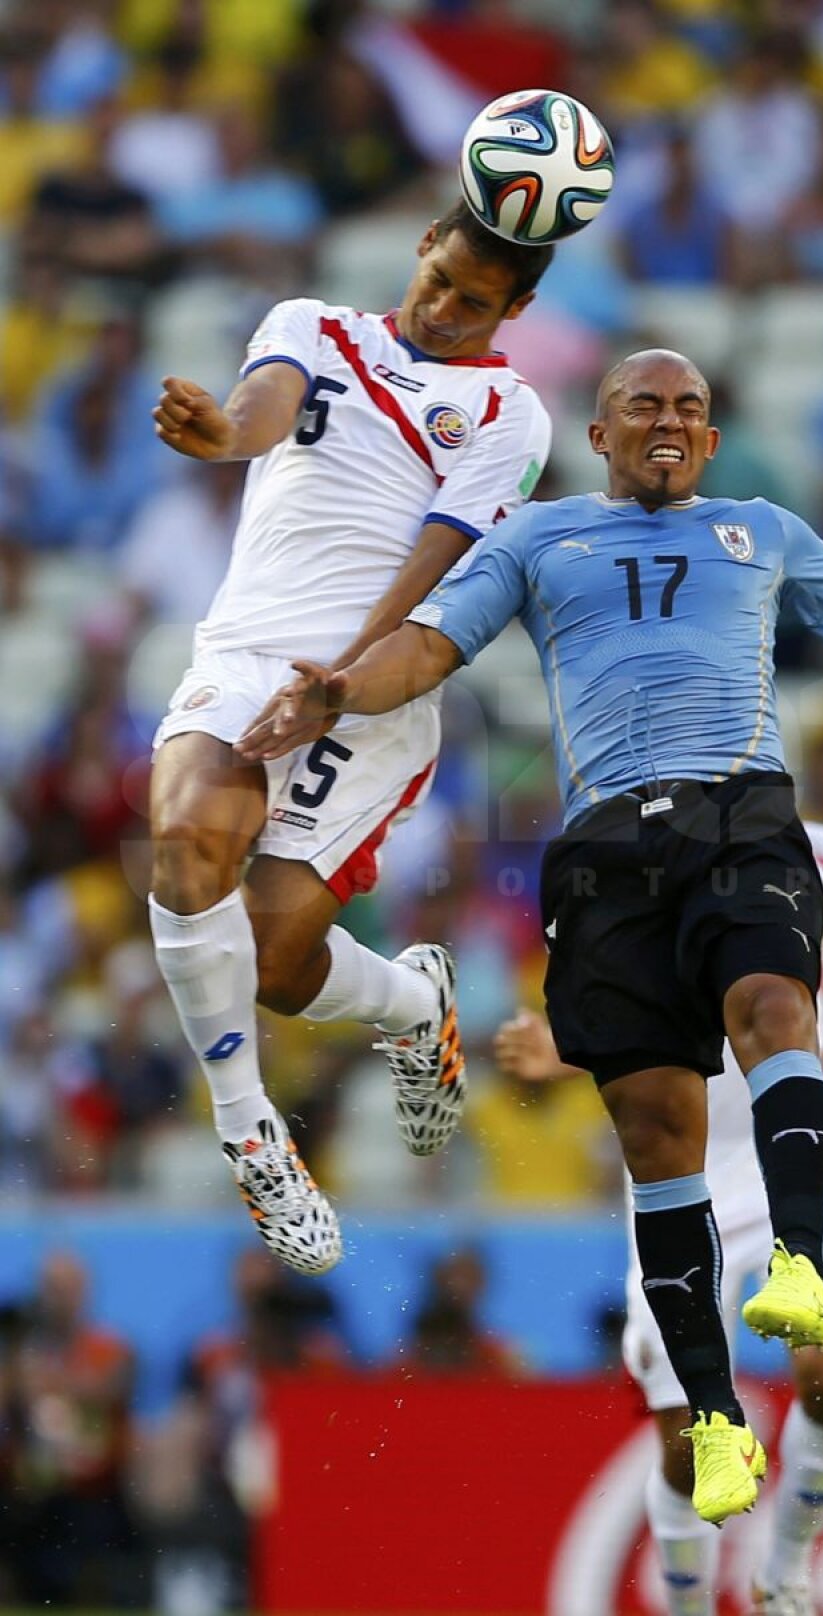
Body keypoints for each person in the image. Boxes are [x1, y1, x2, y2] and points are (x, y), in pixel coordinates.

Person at [238, 347, 823, 1527]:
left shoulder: (761, 528)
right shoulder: (535, 540)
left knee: (778, 1008)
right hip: (609, 850)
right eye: (643, 405)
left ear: (712, 440)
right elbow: (430, 648)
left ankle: (798, 1262)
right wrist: (342, 689)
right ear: (603, 432)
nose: (668, 422)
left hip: (741, 807)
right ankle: (717, 1419)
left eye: (690, 408)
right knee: (657, 1133)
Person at [147, 199, 553, 1277]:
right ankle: (252, 1135)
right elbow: (262, 409)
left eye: (477, 302)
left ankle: (417, 1004)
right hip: (240, 657)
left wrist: (340, 684)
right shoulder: (313, 326)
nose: (446, 307)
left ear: (517, 306)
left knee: (277, 965)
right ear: (424, 241)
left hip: (368, 694)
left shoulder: (508, 413)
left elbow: (439, 562)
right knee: (187, 845)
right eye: (442, 279)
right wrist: (222, 434)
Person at [494, 818, 823, 1616]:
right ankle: (688, 1605)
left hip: (789, 1158)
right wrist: (563, 1049)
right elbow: (600, 1009)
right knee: (689, 1447)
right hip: (679, 1172)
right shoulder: (621, 862)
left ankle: (785, 1572)